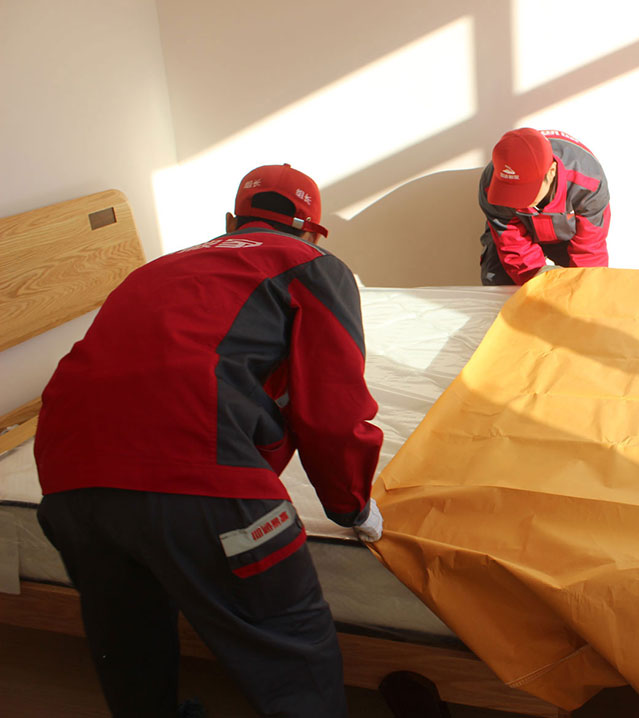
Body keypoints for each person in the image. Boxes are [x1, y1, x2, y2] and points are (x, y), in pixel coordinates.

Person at [34, 163, 384, 718]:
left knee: (128, 640)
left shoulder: (157, 268)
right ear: (313, 232)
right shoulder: (312, 265)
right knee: (292, 647)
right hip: (202, 482)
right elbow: (332, 405)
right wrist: (352, 506)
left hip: (68, 484)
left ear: (230, 221)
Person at [478, 128, 611, 285]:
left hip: (569, 233)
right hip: (519, 230)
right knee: (498, 280)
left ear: (551, 171)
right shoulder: (491, 186)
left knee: (584, 281)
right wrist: (537, 280)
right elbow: (512, 244)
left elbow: (589, 252)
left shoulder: (588, 181)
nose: (517, 200)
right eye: (511, 191)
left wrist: (583, 288)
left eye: (525, 190)